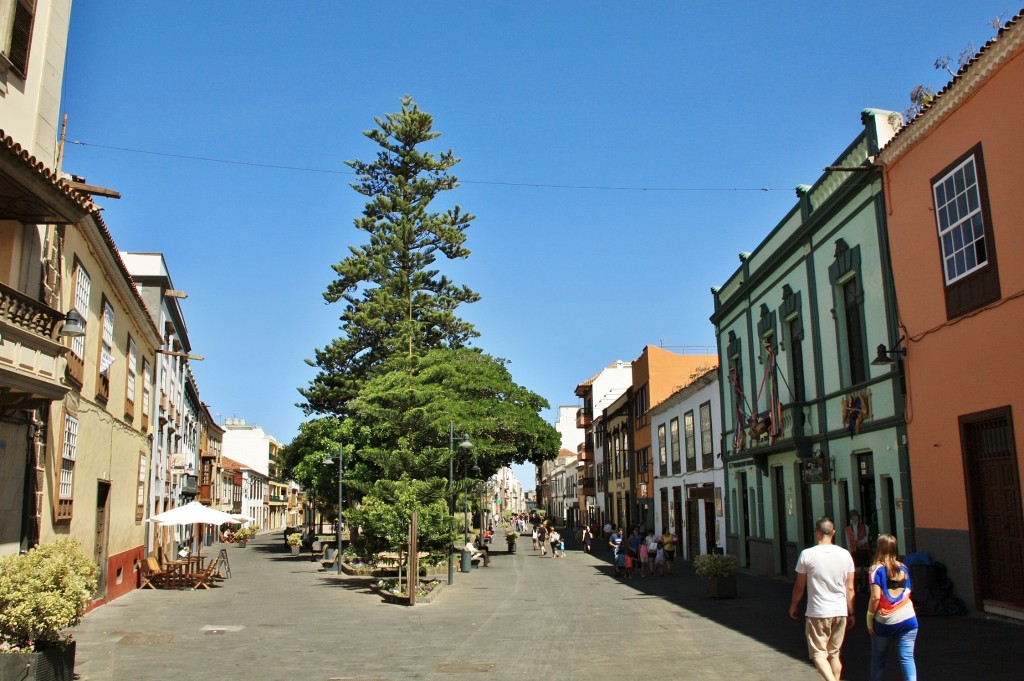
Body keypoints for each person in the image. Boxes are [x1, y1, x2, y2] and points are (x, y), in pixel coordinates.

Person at [789, 516, 856, 681]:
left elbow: (800, 586)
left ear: (816, 532)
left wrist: (794, 605)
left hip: (818, 611)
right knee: (834, 654)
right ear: (833, 533)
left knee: (818, 654)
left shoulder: (807, 555)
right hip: (840, 611)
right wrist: (852, 612)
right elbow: (850, 587)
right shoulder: (845, 555)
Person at [867, 534, 918, 681]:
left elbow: (875, 597)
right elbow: (909, 590)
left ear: (879, 549)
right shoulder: (904, 568)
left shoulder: (876, 570)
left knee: (878, 659)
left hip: (885, 621)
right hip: (909, 619)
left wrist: (869, 617)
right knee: (907, 658)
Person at [846, 510, 871, 593]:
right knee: (857, 568)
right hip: (854, 550)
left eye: (855, 516)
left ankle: (868, 586)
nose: (854, 518)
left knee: (867, 567)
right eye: (852, 516)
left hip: (864, 549)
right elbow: (848, 541)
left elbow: (866, 537)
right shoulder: (848, 529)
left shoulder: (865, 527)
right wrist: (850, 551)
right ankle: (859, 585)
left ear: (858, 517)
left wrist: (860, 542)